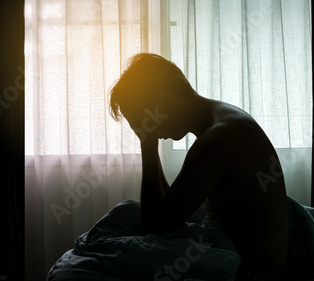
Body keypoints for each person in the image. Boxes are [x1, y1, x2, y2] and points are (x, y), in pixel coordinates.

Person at [109, 53, 288, 280]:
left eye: (141, 122)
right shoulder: (222, 120)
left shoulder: (217, 140)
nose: (144, 131)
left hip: (256, 271)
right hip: (243, 257)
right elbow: (170, 209)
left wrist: (147, 144)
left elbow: (156, 226)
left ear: (163, 101)